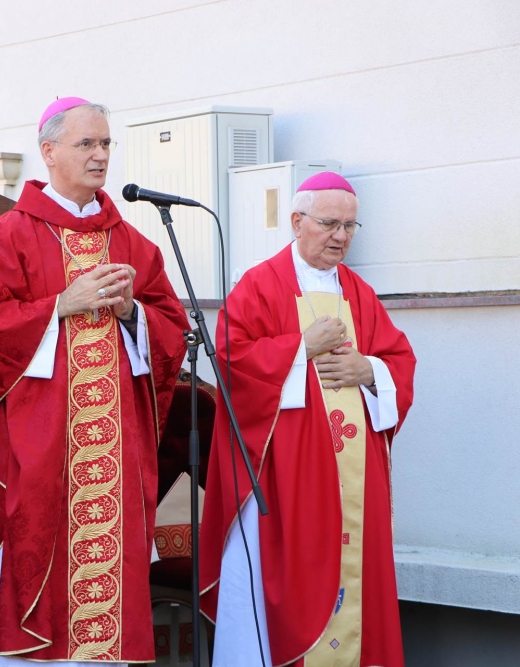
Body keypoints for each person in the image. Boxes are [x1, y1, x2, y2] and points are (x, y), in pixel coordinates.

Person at [0, 97, 188, 665]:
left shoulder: (130, 240)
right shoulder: (10, 234)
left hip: (113, 454)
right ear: (49, 152)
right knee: (33, 563)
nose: (100, 156)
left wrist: (133, 315)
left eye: (105, 144)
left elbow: (172, 330)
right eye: (86, 144)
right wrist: (58, 306)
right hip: (37, 442)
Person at [199, 172, 416, 666]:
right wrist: (301, 348)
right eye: (329, 223)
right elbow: (231, 361)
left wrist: (371, 370)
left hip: (353, 481)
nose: (340, 236)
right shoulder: (260, 285)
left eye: (350, 226)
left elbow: (400, 361)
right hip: (285, 475)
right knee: (287, 591)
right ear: (297, 222)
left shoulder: (359, 293)